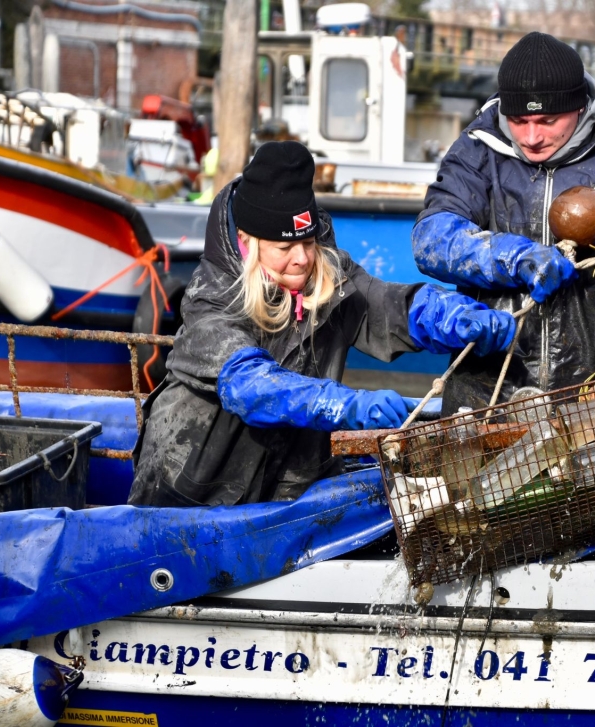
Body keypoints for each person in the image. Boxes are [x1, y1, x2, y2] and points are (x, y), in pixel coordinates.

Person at [128, 142, 516, 507]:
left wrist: (448, 315)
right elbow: (251, 385)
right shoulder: (210, 298)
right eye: (284, 248)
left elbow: (382, 306)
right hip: (193, 496)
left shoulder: (329, 272)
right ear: (247, 242)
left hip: (288, 491)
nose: (301, 259)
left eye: (309, 242)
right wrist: (345, 404)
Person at [413, 31, 595, 414]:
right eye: (518, 120)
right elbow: (431, 238)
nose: (532, 137)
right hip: (489, 399)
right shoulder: (477, 151)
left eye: (547, 120)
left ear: (578, 106)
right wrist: (511, 257)